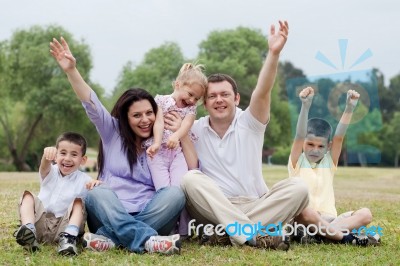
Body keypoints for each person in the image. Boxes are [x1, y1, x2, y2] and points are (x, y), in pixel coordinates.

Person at [50, 37, 189, 255]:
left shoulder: (161, 141)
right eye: (137, 115)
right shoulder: (111, 131)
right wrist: (71, 71)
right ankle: (147, 239)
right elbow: (90, 101)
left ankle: (109, 239)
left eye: (149, 113)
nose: (145, 120)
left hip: (150, 212)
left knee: (175, 194)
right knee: (96, 193)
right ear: (124, 117)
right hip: (109, 211)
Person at [180, 20, 309, 250]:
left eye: (225, 95)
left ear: (236, 99)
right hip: (213, 208)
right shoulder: (193, 128)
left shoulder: (250, 122)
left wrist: (273, 53)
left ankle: (228, 233)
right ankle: (252, 234)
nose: (219, 100)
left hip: (255, 205)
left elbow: (263, 90)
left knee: (299, 188)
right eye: (212, 96)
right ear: (204, 103)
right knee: (190, 179)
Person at [288, 86, 380, 246]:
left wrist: (349, 108)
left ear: (328, 147)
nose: (315, 150)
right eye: (310, 144)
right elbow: (299, 134)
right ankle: (338, 235)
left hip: (330, 218)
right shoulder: (297, 161)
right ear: (303, 144)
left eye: (320, 146)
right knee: (306, 212)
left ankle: (321, 235)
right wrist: (305, 106)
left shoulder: (329, 163)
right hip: (303, 219)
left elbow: (339, 137)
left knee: (365, 214)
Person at [145, 62, 207, 237]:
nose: (192, 100)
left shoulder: (190, 108)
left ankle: (184, 230)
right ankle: (168, 226)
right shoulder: (160, 100)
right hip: (158, 155)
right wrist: (157, 143)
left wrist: (176, 136)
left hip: (177, 153)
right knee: (164, 192)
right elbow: (158, 122)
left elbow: (186, 125)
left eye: (196, 98)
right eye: (190, 95)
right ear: (178, 85)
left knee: (180, 189)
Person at [14, 132, 101, 256]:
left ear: (83, 160)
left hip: (64, 227)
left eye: (74, 154)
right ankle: (29, 230)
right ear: (55, 156)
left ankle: (69, 239)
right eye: (63, 153)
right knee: (27, 196)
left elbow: (95, 196)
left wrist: (96, 185)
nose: (67, 158)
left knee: (79, 203)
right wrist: (46, 155)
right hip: (40, 222)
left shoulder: (85, 180)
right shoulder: (50, 171)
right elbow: (44, 166)